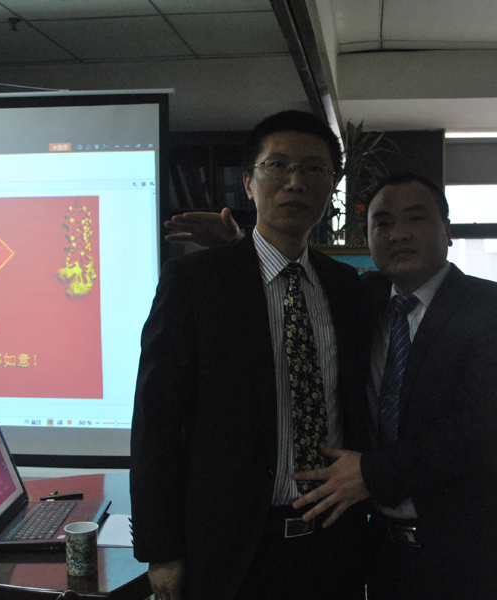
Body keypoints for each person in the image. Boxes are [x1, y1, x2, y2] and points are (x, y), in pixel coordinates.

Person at [170, 171, 497, 599]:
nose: (399, 233)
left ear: (447, 230)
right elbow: (291, 279)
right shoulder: (364, 299)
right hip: (389, 562)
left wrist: (370, 473)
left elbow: (481, 428)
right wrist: (238, 246)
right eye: (383, 223)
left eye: (415, 218)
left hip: (483, 562)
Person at [129, 110, 371, 600]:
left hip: (333, 542)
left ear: (331, 187)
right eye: (277, 165)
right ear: (248, 183)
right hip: (230, 550)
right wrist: (161, 550)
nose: (295, 182)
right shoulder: (196, 284)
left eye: (314, 169)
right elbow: (156, 422)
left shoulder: (349, 289)